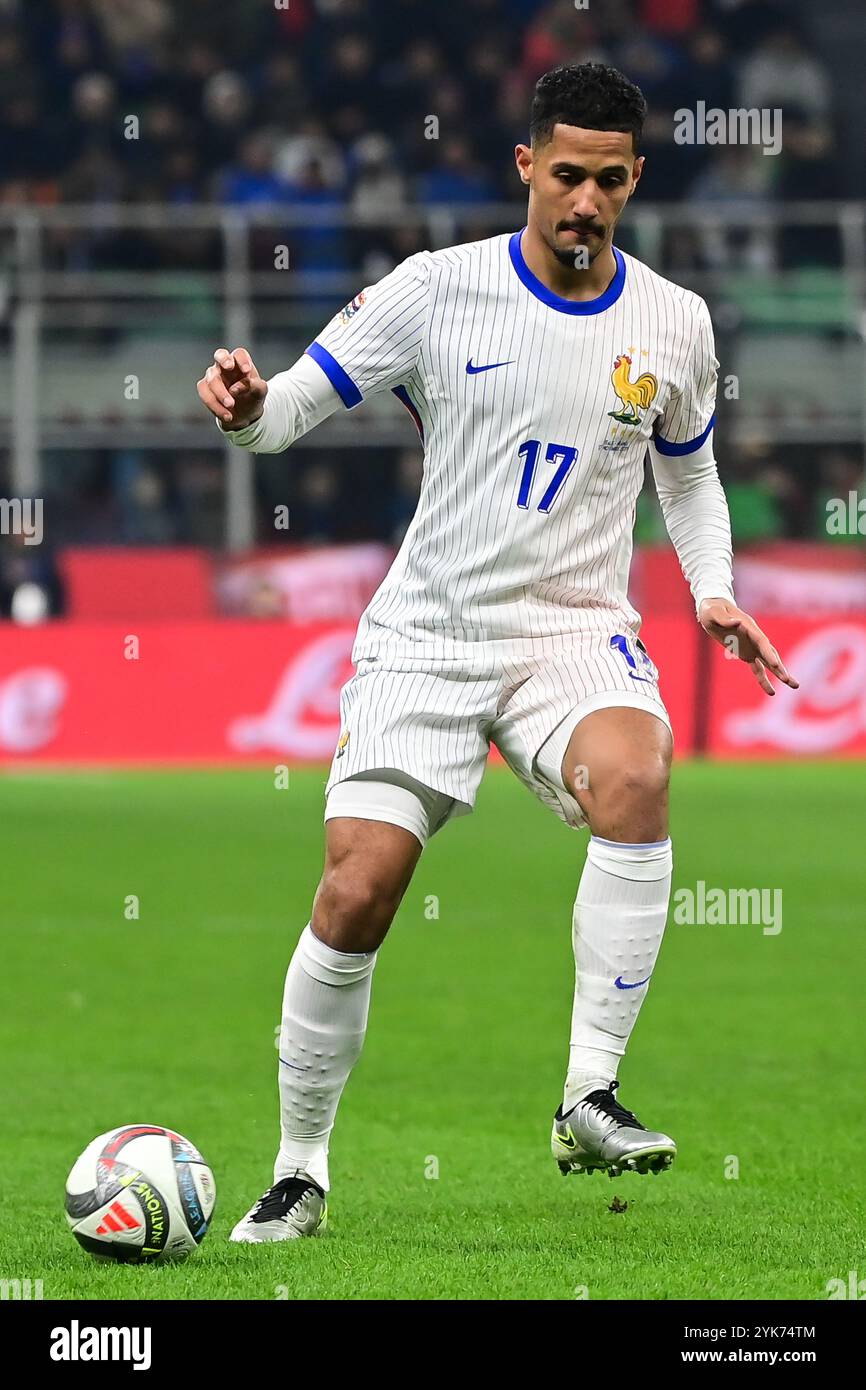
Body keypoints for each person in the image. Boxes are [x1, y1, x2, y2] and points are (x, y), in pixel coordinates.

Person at [196, 62, 797, 1242]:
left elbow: (688, 473)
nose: (583, 200)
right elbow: (287, 417)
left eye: (607, 181)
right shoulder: (435, 289)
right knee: (358, 888)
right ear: (526, 166)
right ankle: (301, 1166)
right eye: (564, 174)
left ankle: (586, 1092)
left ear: (635, 181)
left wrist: (712, 591)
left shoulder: (671, 319)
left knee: (637, 776)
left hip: (573, 631)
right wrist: (243, 407)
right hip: (428, 632)